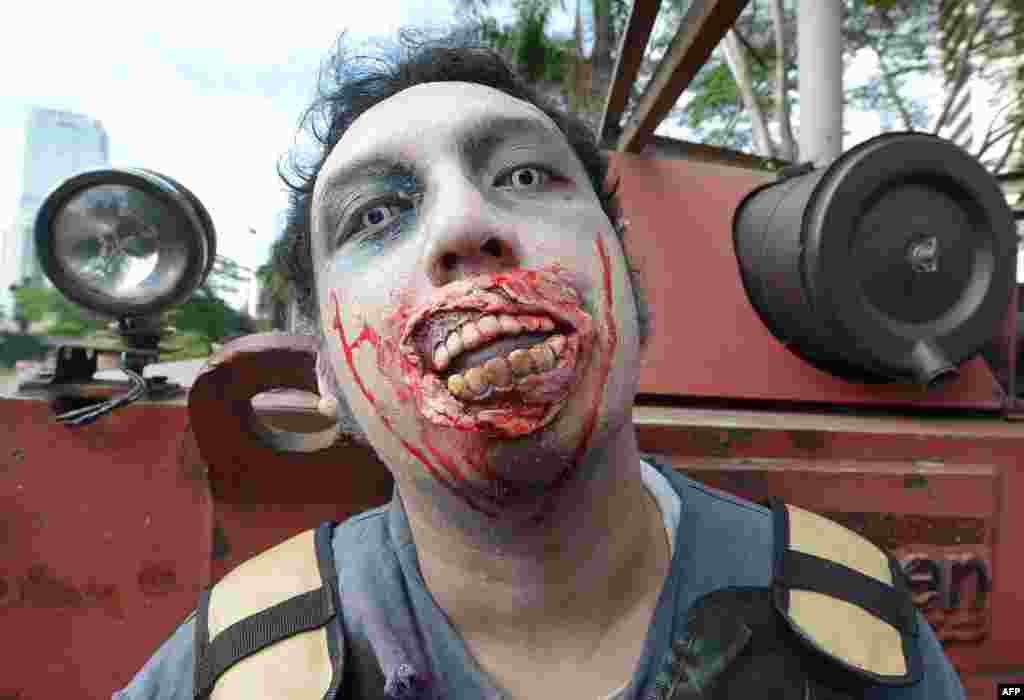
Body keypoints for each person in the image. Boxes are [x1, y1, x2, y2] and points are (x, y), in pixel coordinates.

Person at [114, 27, 966, 700]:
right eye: (375, 215)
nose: (464, 226)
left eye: (524, 173)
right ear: (329, 376)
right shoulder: (227, 669)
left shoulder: (863, 631)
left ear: (633, 292)